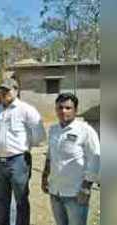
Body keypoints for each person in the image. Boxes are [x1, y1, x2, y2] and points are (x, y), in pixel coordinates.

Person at [0, 78, 45, 225]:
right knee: (1, 199)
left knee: (21, 199)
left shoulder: (26, 109)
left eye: (8, 90)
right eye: (2, 90)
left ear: (16, 90)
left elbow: (39, 134)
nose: (4, 93)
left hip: (18, 162)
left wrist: (25, 147)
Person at [41, 93, 100, 225]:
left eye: (68, 108)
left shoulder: (85, 131)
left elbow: (95, 160)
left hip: (75, 194)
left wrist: (86, 187)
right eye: (60, 108)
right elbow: (50, 155)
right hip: (55, 191)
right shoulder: (53, 130)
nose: (63, 111)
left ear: (76, 110)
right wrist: (45, 176)